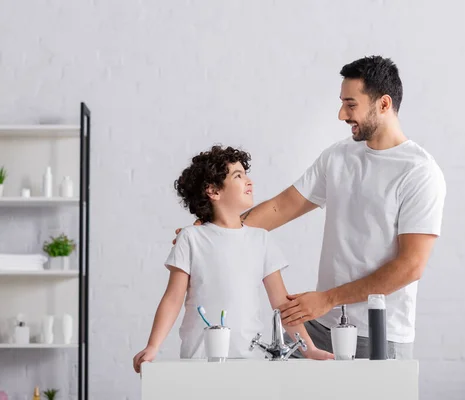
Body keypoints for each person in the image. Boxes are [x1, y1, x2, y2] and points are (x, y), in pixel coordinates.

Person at [174, 55, 446, 359]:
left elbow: (410, 267)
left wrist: (327, 299)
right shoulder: (339, 157)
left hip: (379, 334)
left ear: (384, 104)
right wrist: (213, 232)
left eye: (351, 104)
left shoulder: (419, 172)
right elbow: (282, 207)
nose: (342, 114)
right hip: (321, 325)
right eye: (342, 102)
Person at [133, 146, 332, 373]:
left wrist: (309, 349)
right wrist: (153, 346)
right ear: (213, 191)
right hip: (200, 361)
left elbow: (282, 305)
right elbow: (173, 299)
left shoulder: (261, 240)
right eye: (238, 176)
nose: (249, 181)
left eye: (245, 174)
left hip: (250, 363)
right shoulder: (191, 238)